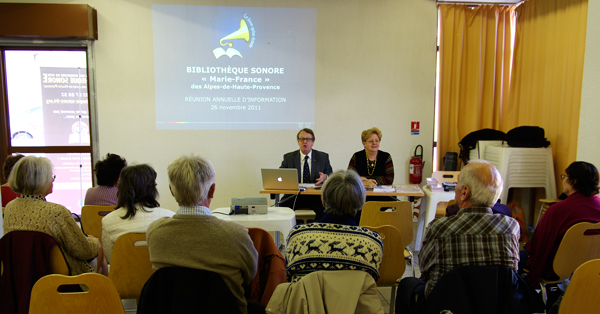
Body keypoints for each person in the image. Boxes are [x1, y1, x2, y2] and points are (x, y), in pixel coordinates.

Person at [396, 160, 520, 313]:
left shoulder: (440, 228)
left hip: (447, 306)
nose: (455, 187)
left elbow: (425, 269)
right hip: (496, 305)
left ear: (464, 192)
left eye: (457, 183)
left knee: (407, 285)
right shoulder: (511, 227)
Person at [146, 155, 260, 314]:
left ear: (171, 191)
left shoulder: (155, 233)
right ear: (213, 189)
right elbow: (250, 276)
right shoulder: (236, 235)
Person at [3, 156, 107, 275]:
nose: (52, 180)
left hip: (20, 276)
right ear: (41, 180)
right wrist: (94, 242)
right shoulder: (56, 212)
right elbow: (83, 250)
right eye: (51, 177)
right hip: (57, 277)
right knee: (98, 249)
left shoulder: (10, 208)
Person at [285, 170, 383, 283]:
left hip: (308, 299)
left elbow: (289, 278)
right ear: (361, 203)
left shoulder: (297, 236)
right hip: (352, 300)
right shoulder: (373, 243)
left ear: (322, 200)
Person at [522, 161, 600, 287]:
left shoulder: (558, 210)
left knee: (514, 257)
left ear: (573, 181)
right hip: (590, 267)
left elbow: (538, 245)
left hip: (555, 269)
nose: (563, 180)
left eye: (565, 177)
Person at [101, 164, 174, 263]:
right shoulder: (170, 217)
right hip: (159, 277)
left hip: (124, 277)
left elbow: (111, 260)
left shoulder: (107, 221)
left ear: (122, 189)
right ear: (152, 189)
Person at [279, 128, 333, 219]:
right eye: (302, 139)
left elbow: (330, 174)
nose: (305, 142)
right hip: (294, 195)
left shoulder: (323, 157)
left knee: (325, 210)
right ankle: (292, 229)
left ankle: (318, 230)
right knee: (282, 207)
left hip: (315, 195)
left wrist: (325, 177)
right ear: (298, 141)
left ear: (313, 142)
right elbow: (280, 175)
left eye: (308, 139)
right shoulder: (289, 157)